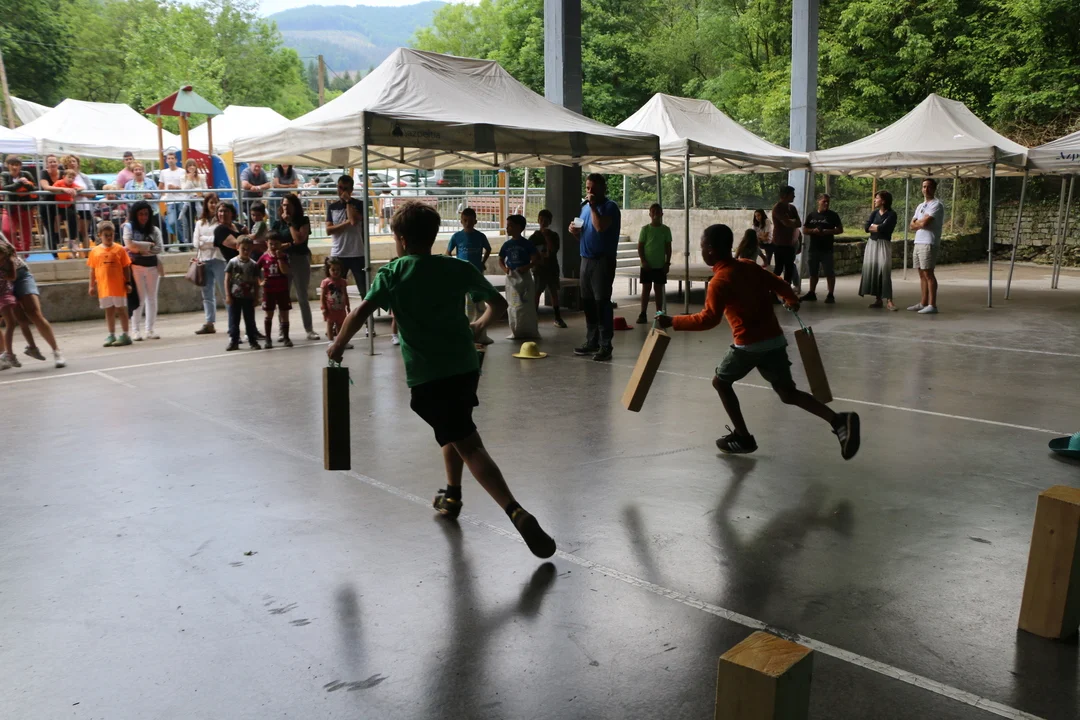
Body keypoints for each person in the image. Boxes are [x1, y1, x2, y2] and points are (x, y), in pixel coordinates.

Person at [327, 201, 556, 559]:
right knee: (454, 428)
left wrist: (338, 345)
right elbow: (497, 304)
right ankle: (452, 495)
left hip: (429, 377)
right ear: (434, 235)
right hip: (465, 368)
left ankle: (516, 511)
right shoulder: (457, 267)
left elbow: (359, 312)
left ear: (401, 239)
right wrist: (479, 325)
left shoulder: (393, 273)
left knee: (469, 444)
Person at [656, 224, 860, 460]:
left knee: (721, 383)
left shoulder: (719, 282)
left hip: (748, 345)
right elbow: (779, 283)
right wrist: (791, 299)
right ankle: (838, 420)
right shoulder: (748, 265)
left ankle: (743, 437)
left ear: (710, 249)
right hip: (774, 340)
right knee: (787, 393)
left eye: (702, 246)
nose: (701, 251)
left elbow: (708, 319)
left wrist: (673, 321)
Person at [569, 173, 621, 362]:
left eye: (593, 188)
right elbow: (583, 234)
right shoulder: (584, 208)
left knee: (602, 303)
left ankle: (605, 345)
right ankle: (592, 341)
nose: (590, 192)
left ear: (602, 189)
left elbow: (600, 227)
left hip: (602, 260)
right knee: (588, 302)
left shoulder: (610, 207)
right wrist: (574, 232)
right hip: (586, 259)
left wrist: (592, 207)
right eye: (587, 188)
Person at [0, 235, 65, 367]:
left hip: (18, 273)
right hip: (3, 282)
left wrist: (7, 263)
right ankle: (20, 351)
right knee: (20, 319)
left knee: (34, 312)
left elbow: (11, 250)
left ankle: (56, 351)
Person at [273, 193, 320, 341]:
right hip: (283, 260)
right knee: (282, 296)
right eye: (283, 205)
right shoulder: (277, 224)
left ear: (295, 207)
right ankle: (282, 330)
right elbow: (274, 243)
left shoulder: (303, 221)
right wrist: (285, 245)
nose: (285, 208)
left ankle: (309, 329)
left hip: (300, 259)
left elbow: (299, 239)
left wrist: (290, 223)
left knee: (302, 296)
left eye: (288, 205)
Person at [446, 208, 493, 341]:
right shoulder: (456, 236)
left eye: (471, 221)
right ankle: (463, 330)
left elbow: (488, 249)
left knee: (478, 300)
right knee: (463, 300)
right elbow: (448, 252)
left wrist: (482, 262)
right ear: (461, 221)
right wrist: (454, 265)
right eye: (465, 220)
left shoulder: (480, 236)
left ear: (475, 221)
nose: (468, 223)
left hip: (476, 272)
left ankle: (479, 330)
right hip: (461, 274)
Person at [86, 221, 133, 347]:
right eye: (106, 235)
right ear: (100, 235)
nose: (108, 237)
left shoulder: (119, 249)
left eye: (111, 235)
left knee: (121, 309)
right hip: (104, 287)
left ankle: (125, 334)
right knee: (109, 311)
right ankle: (111, 334)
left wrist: (128, 282)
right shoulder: (95, 251)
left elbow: (126, 267)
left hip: (118, 286)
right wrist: (91, 286)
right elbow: (92, 270)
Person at [123, 200, 164, 341]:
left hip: (153, 266)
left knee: (151, 298)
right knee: (139, 299)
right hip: (136, 267)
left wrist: (139, 249)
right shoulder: (128, 227)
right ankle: (135, 330)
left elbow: (159, 248)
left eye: (146, 214)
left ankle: (150, 329)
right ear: (135, 214)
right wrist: (148, 246)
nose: (143, 217)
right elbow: (129, 244)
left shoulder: (155, 230)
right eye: (140, 214)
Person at [499, 214, 540, 340]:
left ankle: (529, 330)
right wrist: (505, 269)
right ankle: (516, 330)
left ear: (519, 227)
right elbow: (500, 259)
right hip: (512, 277)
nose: (507, 228)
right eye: (507, 226)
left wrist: (527, 267)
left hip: (524, 277)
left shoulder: (527, 244)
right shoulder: (507, 245)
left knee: (526, 305)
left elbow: (535, 259)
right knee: (514, 305)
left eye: (510, 226)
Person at [909, 178, 944, 314]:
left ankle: (932, 305)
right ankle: (923, 303)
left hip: (929, 242)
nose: (926, 189)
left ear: (934, 189)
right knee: (921, 274)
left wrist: (919, 223)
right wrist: (919, 222)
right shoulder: (920, 206)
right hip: (918, 242)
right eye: (924, 187)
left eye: (929, 187)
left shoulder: (937, 205)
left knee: (929, 273)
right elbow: (911, 225)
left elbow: (924, 223)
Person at [859, 190, 899, 310]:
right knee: (874, 270)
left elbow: (886, 228)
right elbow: (867, 227)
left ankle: (889, 300)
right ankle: (878, 299)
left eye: (877, 198)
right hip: (872, 244)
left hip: (883, 244)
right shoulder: (874, 213)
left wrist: (875, 227)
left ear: (883, 201)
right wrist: (878, 227)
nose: (875, 200)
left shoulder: (891, 214)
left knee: (884, 270)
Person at [801, 193, 844, 303]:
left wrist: (828, 231)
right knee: (813, 272)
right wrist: (813, 231)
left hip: (827, 249)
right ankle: (812, 292)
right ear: (818, 201)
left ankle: (830, 294)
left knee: (829, 272)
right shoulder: (812, 215)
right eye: (824, 201)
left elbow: (840, 229)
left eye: (828, 202)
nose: (826, 203)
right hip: (813, 248)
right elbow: (804, 230)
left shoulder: (833, 215)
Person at [193, 193, 225, 335]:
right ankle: (209, 322)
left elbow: (220, 241)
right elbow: (196, 243)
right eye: (210, 202)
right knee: (207, 293)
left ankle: (233, 322)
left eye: (215, 202)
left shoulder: (222, 223)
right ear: (206, 204)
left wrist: (205, 240)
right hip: (204, 260)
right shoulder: (200, 223)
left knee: (225, 292)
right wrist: (211, 241)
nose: (213, 205)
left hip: (219, 259)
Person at [528, 209, 566, 328]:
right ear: (538, 220)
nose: (543, 222)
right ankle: (533, 317)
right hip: (539, 269)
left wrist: (546, 236)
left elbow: (553, 250)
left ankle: (557, 317)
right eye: (541, 220)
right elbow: (529, 253)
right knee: (537, 292)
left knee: (554, 292)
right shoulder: (533, 237)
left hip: (552, 268)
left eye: (546, 220)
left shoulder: (554, 236)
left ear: (550, 222)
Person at [636, 203, 672, 325]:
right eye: (653, 211)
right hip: (647, 265)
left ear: (662, 214)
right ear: (650, 214)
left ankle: (659, 314)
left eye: (658, 211)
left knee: (658, 289)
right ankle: (643, 313)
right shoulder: (645, 229)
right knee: (646, 289)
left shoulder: (666, 230)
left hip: (660, 265)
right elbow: (640, 247)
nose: (655, 214)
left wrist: (667, 263)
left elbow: (668, 248)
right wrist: (643, 260)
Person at [224, 236, 262, 351]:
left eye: (248, 249)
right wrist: (228, 295)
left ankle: (252, 341)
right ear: (237, 247)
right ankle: (234, 341)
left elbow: (256, 282)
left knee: (250, 320)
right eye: (243, 249)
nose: (246, 251)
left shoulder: (253, 264)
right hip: (235, 296)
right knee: (234, 320)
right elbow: (227, 279)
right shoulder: (233, 262)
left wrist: (256, 297)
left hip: (248, 296)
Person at [258, 235, 292, 348]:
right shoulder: (264, 257)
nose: (273, 246)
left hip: (282, 289)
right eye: (271, 244)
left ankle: (286, 337)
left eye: (276, 244)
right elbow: (255, 270)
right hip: (269, 290)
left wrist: (279, 258)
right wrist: (260, 282)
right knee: (269, 314)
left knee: (284, 314)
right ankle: (268, 339)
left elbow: (285, 271)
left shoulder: (284, 256)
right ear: (266, 243)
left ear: (280, 244)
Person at [2, 156, 37, 253]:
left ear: (20, 166)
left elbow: (35, 188)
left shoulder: (26, 174)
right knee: (6, 230)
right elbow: (4, 187)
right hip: (10, 208)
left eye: (17, 165)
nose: (14, 167)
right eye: (12, 164)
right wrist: (20, 182)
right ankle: (17, 251)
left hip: (26, 208)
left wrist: (26, 184)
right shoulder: (4, 175)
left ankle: (24, 255)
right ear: (8, 165)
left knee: (26, 234)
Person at [38, 154, 70, 250]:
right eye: (50, 162)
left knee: (70, 222)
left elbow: (70, 183)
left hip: (61, 204)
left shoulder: (63, 173)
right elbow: (46, 187)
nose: (52, 164)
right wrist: (62, 189)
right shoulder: (43, 173)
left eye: (54, 161)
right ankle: (54, 252)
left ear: (58, 163)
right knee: (50, 230)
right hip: (46, 205)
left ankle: (70, 246)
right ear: (47, 164)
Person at [770, 186, 801, 285]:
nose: (794, 196)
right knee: (779, 268)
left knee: (789, 269)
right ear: (784, 195)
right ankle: (773, 290)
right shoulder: (778, 208)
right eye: (792, 194)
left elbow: (799, 223)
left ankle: (787, 290)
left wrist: (790, 221)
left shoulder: (792, 208)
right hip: (780, 243)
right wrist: (792, 221)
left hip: (790, 243)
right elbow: (787, 223)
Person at [66, 155, 97, 249]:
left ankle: (86, 253)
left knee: (84, 232)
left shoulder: (84, 177)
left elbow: (93, 193)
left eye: (74, 161)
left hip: (84, 207)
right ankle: (74, 254)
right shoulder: (63, 177)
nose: (72, 163)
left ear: (78, 163)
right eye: (69, 162)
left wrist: (80, 192)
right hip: (70, 208)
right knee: (73, 234)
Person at [159, 150, 186, 245]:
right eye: (169, 158)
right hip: (170, 201)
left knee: (181, 222)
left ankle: (183, 243)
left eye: (172, 158)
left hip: (181, 199)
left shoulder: (182, 171)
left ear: (176, 160)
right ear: (166, 161)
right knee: (171, 222)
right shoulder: (163, 172)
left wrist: (176, 187)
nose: (170, 160)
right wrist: (163, 195)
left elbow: (186, 185)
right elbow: (161, 185)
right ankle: (183, 240)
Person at [320, 256, 350, 341]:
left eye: (338, 270)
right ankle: (330, 341)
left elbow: (345, 294)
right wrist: (323, 308)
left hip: (341, 309)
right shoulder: (325, 282)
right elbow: (322, 296)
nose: (336, 272)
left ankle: (339, 341)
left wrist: (348, 305)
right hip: (330, 310)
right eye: (333, 270)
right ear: (328, 270)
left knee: (340, 325)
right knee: (330, 324)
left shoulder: (343, 282)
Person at [180, 158, 207, 243]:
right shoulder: (183, 177)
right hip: (189, 202)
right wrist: (189, 179)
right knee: (190, 223)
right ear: (186, 168)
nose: (192, 167)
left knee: (201, 221)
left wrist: (200, 193)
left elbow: (205, 190)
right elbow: (185, 190)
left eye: (193, 165)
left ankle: (202, 239)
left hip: (200, 201)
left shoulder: (201, 177)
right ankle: (192, 242)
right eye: (189, 166)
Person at [53, 169, 80, 251]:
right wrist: (62, 189)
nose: (71, 179)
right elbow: (52, 188)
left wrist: (76, 189)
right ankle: (57, 241)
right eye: (69, 177)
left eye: (73, 178)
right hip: (57, 206)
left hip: (67, 206)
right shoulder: (59, 183)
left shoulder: (73, 184)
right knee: (56, 221)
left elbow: (81, 187)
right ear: (64, 177)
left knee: (74, 218)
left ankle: (72, 240)